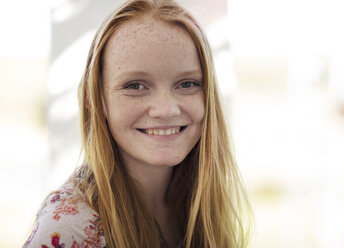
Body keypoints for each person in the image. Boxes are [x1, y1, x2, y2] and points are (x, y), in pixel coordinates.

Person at [23, 0, 251, 247]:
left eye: (187, 84)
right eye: (135, 86)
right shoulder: (70, 228)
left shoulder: (198, 201)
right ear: (95, 99)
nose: (166, 110)